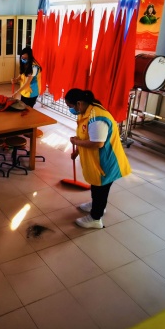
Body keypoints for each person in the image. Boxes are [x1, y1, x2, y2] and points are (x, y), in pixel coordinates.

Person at [64, 88, 131, 229]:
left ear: (79, 103)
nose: (71, 110)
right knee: (97, 187)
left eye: (70, 106)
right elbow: (85, 136)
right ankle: (96, 206)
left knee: (101, 190)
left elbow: (98, 143)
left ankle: (96, 218)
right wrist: (77, 151)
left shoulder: (97, 118)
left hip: (106, 162)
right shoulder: (85, 112)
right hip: (97, 162)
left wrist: (76, 142)